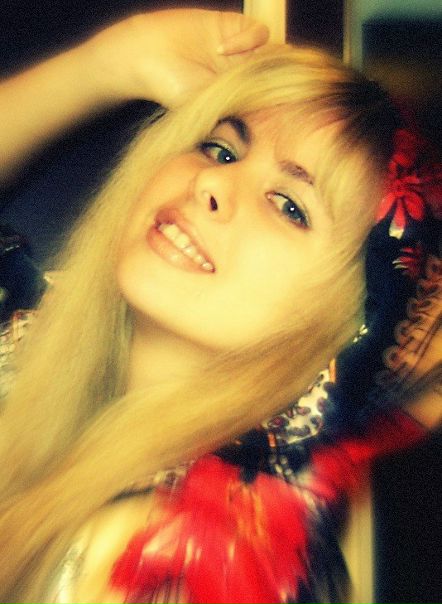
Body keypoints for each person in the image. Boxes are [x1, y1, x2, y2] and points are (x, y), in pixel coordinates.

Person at [0, 8, 440, 604]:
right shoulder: (31, 356)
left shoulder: (190, 563)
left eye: (290, 206)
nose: (210, 184)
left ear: (353, 332)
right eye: (221, 149)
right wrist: (109, 62)